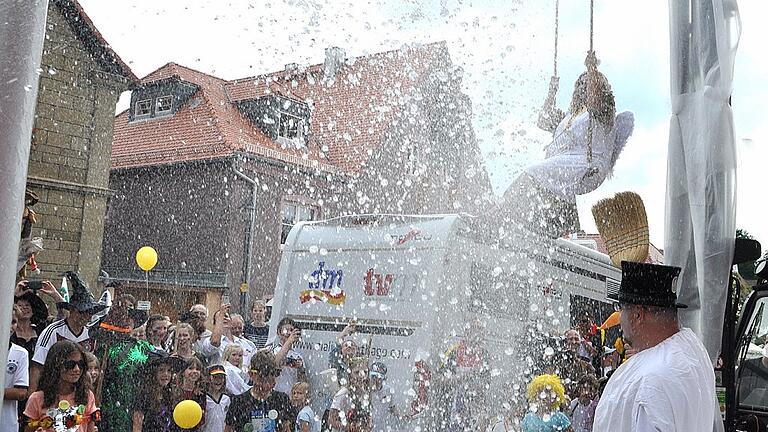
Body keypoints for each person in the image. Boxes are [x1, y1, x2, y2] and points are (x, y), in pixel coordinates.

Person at [501, 52, 634, 237]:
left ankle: (500, 212)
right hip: (570, 167)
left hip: (589, 165)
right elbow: (543, 120)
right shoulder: (570, 117)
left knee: (532, 173)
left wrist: (592, 69)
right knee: (553, 190)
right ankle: (554, 228)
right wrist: (551, 92)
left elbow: (597, 100)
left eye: (586, 83)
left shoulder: (603, 112)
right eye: (579, 83)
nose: (582, 86)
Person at [593, 261, 718, 431]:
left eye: (621, 309)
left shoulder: (650, 380)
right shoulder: (694, 350)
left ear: (638, 314)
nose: (619, 319)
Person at [29, 272, 108, 393]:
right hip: (52, 391)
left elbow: (89, 369)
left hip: (77, 394)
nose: (86, 316)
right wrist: (32, 397)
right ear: (72, 310)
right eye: (82, 311)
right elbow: (37, 367)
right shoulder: (53, 331)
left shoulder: (90, 335)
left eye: (90, 312)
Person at [89, 292, 150, 432]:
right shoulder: (103, 345)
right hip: (104, 405)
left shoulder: (141, 348)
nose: (127, 321)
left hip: (130, 406)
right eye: (123, 316)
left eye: (130, 317)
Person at [24, 340, 99, 432]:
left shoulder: (87, 395)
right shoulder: (37, 398)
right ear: (56, 366)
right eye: (70, 365)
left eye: (81, 364)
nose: (77, 369)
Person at [432, 320, 490, 432]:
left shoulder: (484, 355)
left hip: (472, 411)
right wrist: (460, 379)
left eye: (480, 333)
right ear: (466, 333)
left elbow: (486, 385)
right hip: (449, 409)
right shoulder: (453, 351)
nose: (477, 336)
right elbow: (437, 379)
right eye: (474, 332)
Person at [225, 349, 293, 432]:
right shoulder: (239, 401)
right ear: (251, 375)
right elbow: (228, 429)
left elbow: (286, 429)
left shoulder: (282, 399)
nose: (269, 383)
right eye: (263, 377)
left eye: (273, 375)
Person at [132, 350, 187, 432]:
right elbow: (137, 425)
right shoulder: (143, 395)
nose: (166, 374)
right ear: (153, 373)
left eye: (169, 371)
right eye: (161, 370)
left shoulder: (169, 394)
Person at [3, 305, 29, 432]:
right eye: (5, 319)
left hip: (7, 425)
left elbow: (21, 392)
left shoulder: (20, 353)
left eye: (13, 321)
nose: (10, 326)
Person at [329, 357, 370, 432]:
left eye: (365, 372)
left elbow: (368, 419)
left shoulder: (366, 394)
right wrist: (348, 427)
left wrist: (366, 428)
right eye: (357, 372)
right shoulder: (343, 394)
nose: (361, 376)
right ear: (350, 374)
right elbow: (331, 420)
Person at [270, 317, 307, 394]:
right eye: (285, 330)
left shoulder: (298, 356)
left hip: (291, 396)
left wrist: (300, 368)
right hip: (275, 393)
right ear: (278, 333)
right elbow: (275, 363)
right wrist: (289, 341)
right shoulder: (273, 350)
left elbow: (302, 381)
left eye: (291, 330)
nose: (289, 333)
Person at [173, 357, 207, 431]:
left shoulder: (201, 394)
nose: (194, 371)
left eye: (197, 369)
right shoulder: (173, 391)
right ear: (183, 372)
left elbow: (202, 418)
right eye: (190, 368)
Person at [369, 362, 397, 432]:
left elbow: (392, 409)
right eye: (373, 377)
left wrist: (404, 416)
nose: (375, 380)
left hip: (382, 429)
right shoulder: (365, 392)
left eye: (378, 377)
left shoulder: (388, 390)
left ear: (383, 379)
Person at [203, 365, 231, 432]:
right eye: (215, 377)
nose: (218, 380)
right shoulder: (203, 398)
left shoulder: (227, 399)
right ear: (208, 378)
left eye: (221, 377)